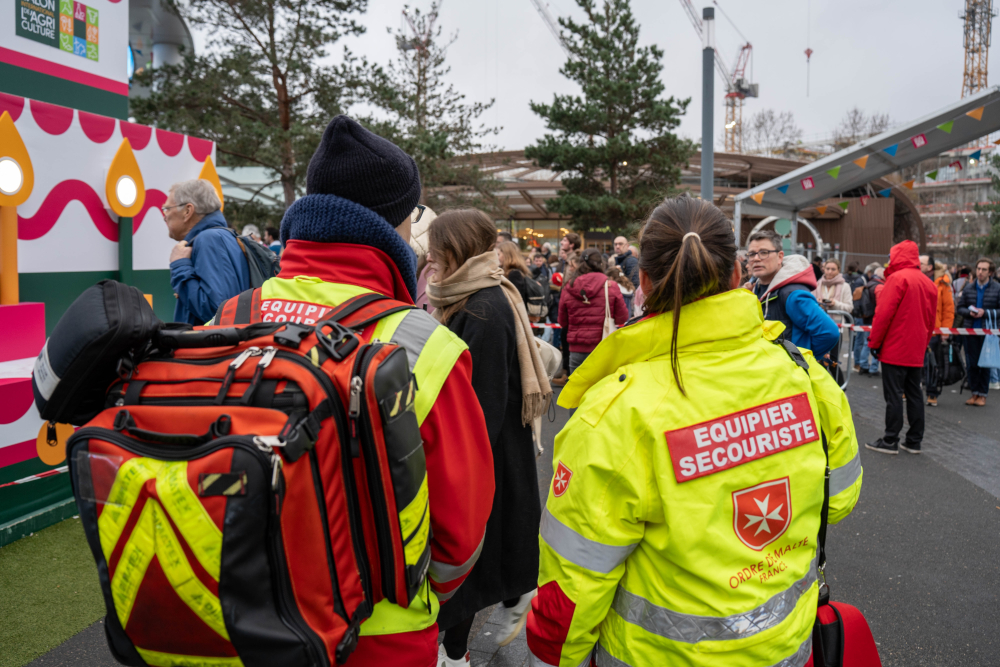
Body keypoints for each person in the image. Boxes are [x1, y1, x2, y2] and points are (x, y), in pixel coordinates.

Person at [527, 197, 862, 667]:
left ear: (643, 283)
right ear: (735, 276)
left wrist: (551, 651)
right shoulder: (804, 373)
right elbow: (840, 498)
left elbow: (575, 581)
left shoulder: (617, 410)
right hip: (788, 647)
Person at [212, 115, 495, 665]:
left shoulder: (234, 315)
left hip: (242, 619)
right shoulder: (424, 344)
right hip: (376, 636)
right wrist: (423, 592)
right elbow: (461, 530)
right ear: (398, 224)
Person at [425, 209, 552, 666]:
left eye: (437, 250)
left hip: (488, 458)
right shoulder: (486, 292)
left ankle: (454, 654)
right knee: (493, 556)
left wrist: (457, 468)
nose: (431, 258)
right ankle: (514, 595)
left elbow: (482, 403)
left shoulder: (480, 308)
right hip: (501, 453)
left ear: (455, 249)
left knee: (468, 562)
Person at [865, 240, 937, 455]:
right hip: (916, 348)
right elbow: (930, 321)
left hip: (895, 347)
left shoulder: (897, 279)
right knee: (914, 394)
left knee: (894, 395)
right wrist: (923, 345)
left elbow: (883, 314)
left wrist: (874, 342)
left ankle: (890, 440)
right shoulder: (928, 283)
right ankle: (914, 440)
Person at [164, 179, 251, 325]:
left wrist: (180, 266)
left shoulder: (209, 240)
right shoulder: (220, 237)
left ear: (187, 211)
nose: (165, 216)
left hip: (208, 345)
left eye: (167, 209)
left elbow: (219, 312)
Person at [746, 230, 840, 358]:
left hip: (786, 375)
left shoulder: (792, 294)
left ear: (780, 257)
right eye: (752, 254)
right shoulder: (754, 289)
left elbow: (829, 333)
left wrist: (799, 361)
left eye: (764, 253)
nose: (756, 258)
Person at [557, 248, 628, 373]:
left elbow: (562, 322)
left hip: (576, 349)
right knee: (601, 390)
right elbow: (622, 318)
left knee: (577, 390)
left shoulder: (568, 287)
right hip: (603, 347)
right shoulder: (611, 286)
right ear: (601, 263)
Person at [956, 257, 1000, 406]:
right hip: (970, 331)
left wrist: (985, 312)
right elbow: (960, 308)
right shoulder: (969, 288)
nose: (980, 272)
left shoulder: (997, 288)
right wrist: (970, 313)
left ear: (990, 272)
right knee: (972, 364)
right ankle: (974, 393)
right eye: (979, 269)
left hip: (988, 332)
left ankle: (983, 395)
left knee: (985, 365)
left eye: (984, 269)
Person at [927, 261, 955, 406]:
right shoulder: (916, 278)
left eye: (921, 263)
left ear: (930, 267)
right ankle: (909, 390)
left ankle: (932, 393)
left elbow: (948, 309)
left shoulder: (943, 283)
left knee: (933, 364)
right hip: (917, 330)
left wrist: (945, 329)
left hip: (934, 331)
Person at [497, 241, 533, 306]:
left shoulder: (514, 274)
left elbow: (516, 300)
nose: (497, 257)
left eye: (498, 254)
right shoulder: (509, 272)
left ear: (506, 255)